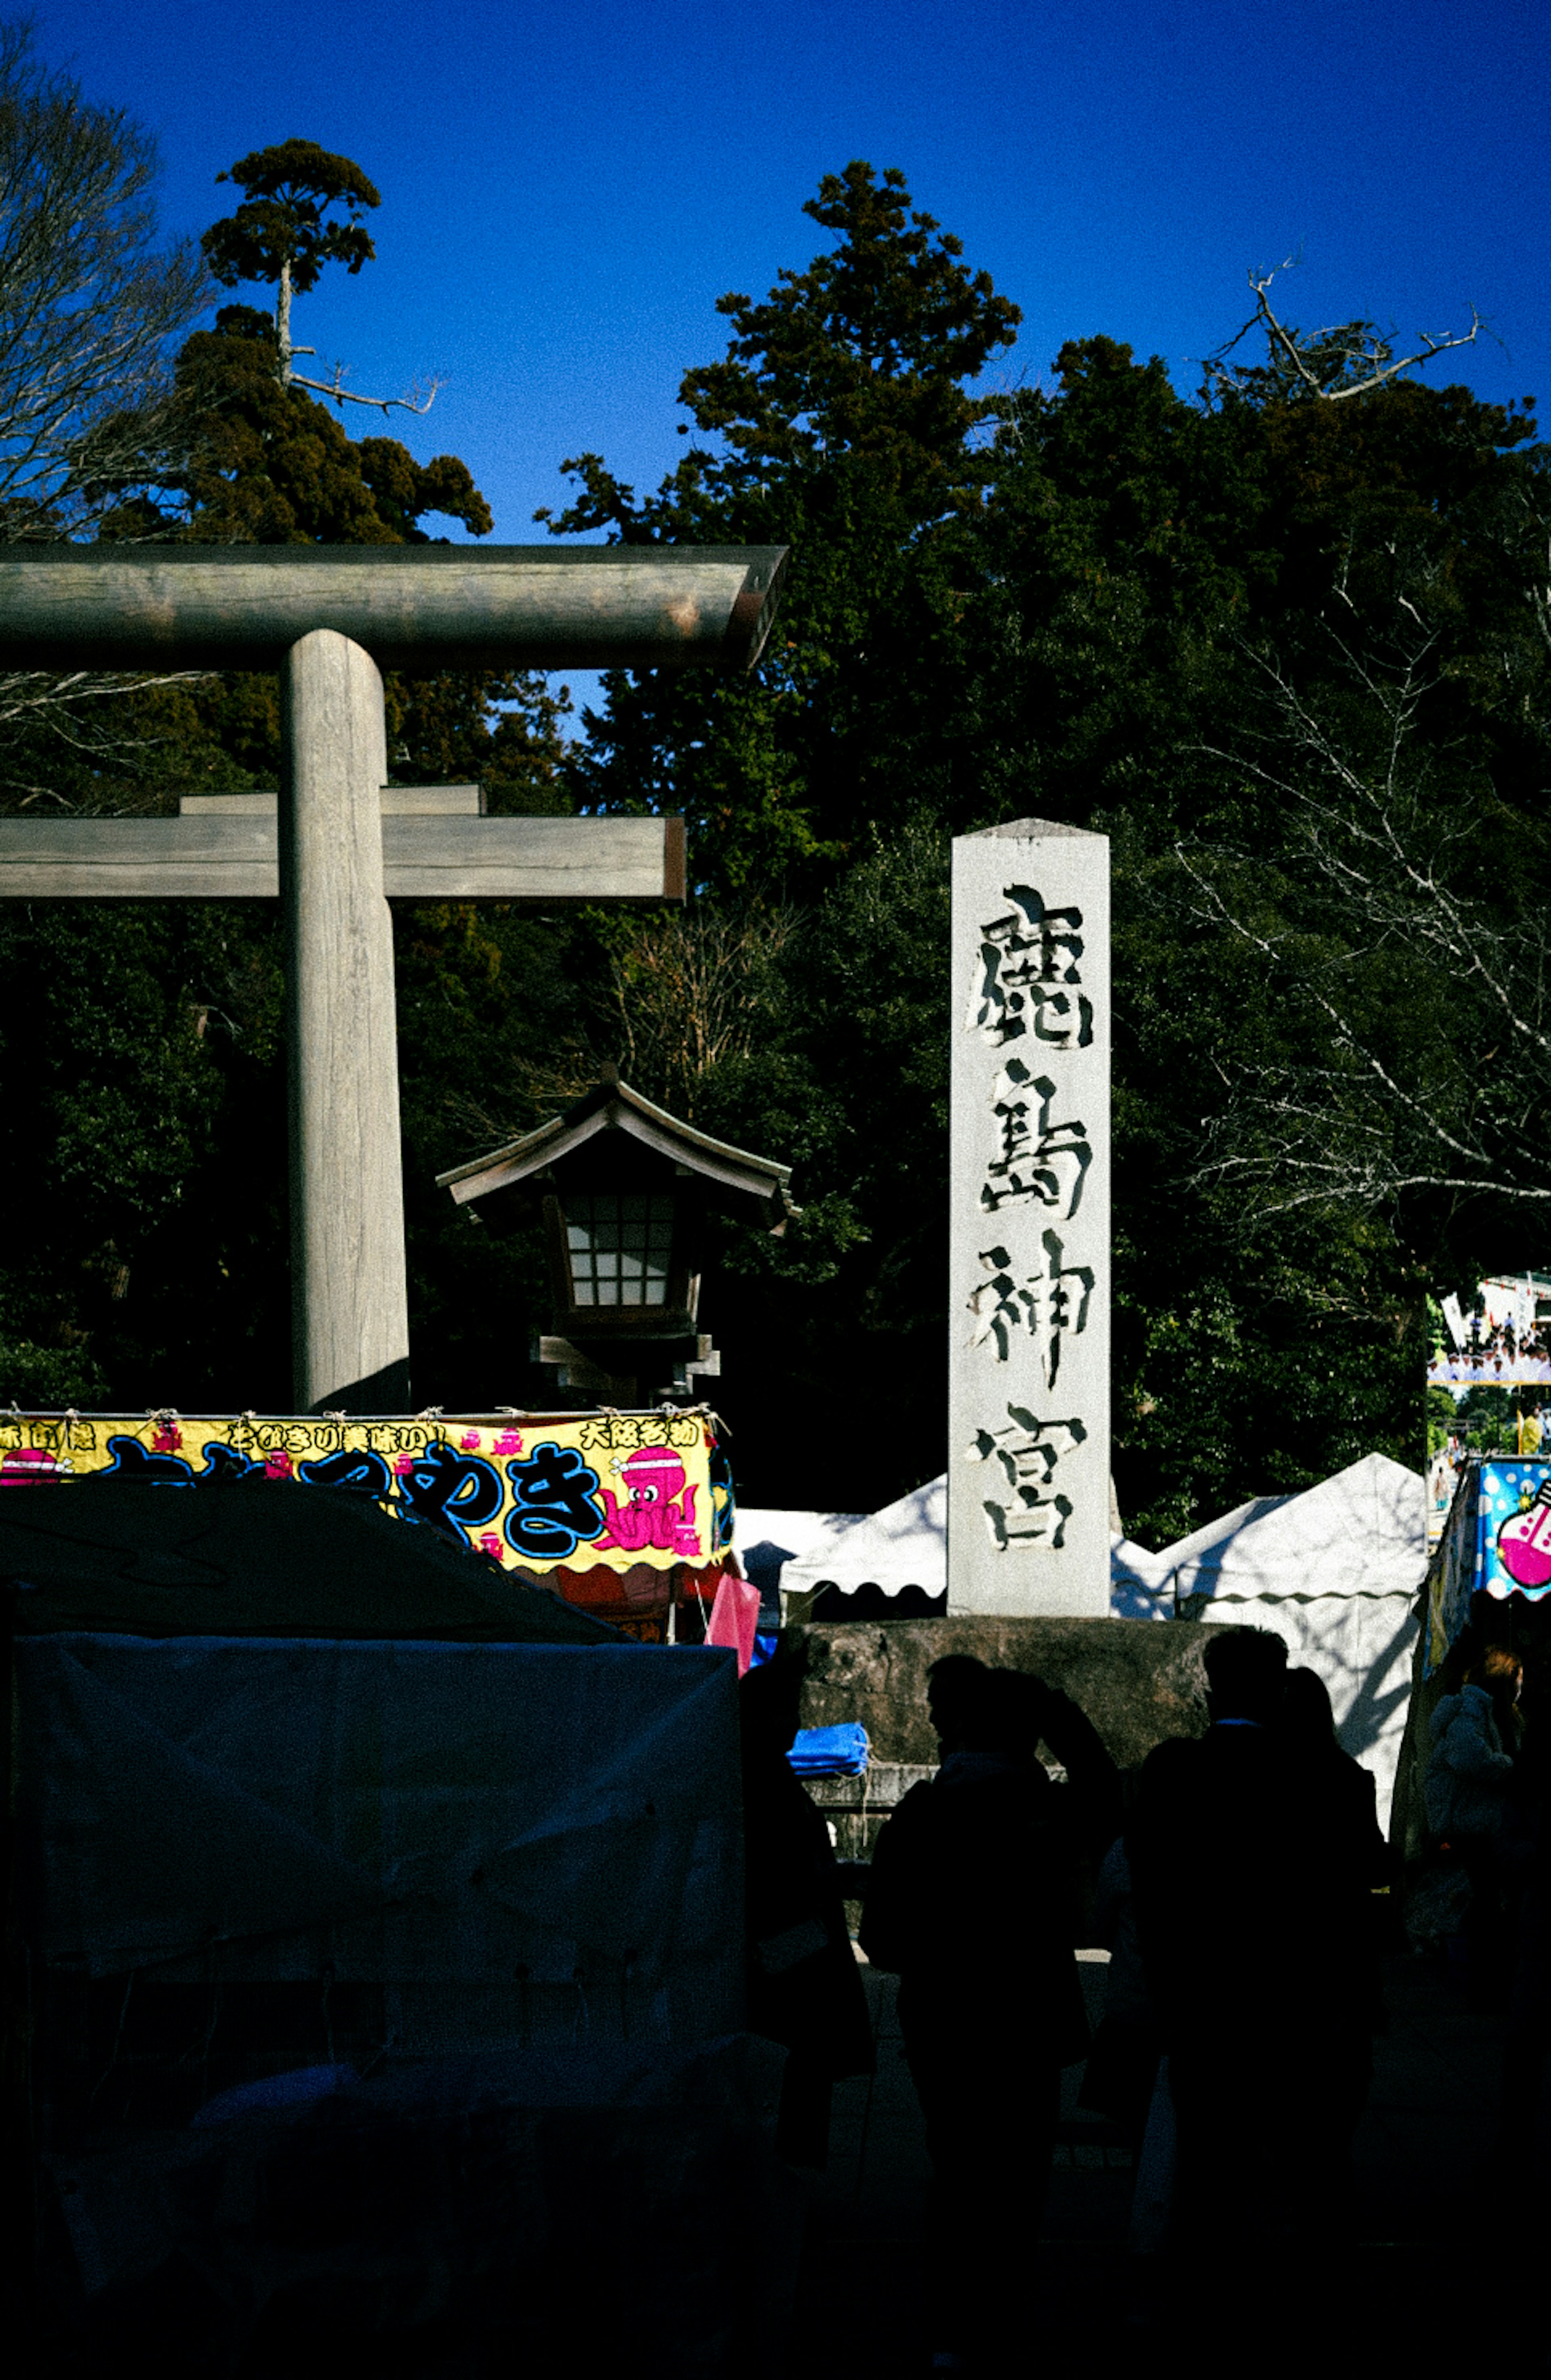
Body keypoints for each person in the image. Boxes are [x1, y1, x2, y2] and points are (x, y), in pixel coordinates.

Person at [1129, 1628, 1383, 2288]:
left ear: (1211, 1693)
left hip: (1206, 2013)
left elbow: (1149, 1892)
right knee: (1313, 2179)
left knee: (1210, 2182)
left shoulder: (1175, 1772)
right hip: (1306, 2014)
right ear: (1280, 1690)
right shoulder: (1333, 1781)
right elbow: (1367, 1893)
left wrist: (1168, 1991)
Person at [860, 1658, 1090, 2372]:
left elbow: (880, 1938)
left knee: (958, 2173)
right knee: (1020, 2181)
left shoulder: (926, 1813)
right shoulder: (1051, 1815)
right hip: (1029, 2023)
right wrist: (1059, 1715)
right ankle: (1004, 2318)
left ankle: (953, 2330)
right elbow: (1107, 1791)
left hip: (948, 2024)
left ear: (959, 1729)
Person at [738, 1650, 873, 2168]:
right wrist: (830, 1879)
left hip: (791, 1958)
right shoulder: (760, 1782)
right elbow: (775, 1876)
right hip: (785, 1965)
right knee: (793, 2093)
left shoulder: (765, 1774)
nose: (796, 1721)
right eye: (786, 1708)